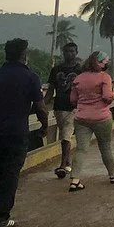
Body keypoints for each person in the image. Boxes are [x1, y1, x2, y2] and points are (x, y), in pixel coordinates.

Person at [0, 39, 49, 227]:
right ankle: (2, 217)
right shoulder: (30, 77)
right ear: (23, 55)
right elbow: (41, 108)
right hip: (17, 132)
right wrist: (44, 127)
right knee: (11, 172)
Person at [67, 51, 114, 191]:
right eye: (105, 62)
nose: (107, 64)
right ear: (100, 63)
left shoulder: (78, 78)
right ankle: (112, 175)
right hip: (101, 118)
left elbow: (73, 100)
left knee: (81, 149)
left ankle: (75, 180)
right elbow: (107, 97)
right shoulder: (104, 77)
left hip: (81, 118)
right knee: (105, 147)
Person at [45, 42, 82, 179]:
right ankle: (68, 163)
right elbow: (50, 90)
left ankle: (62, 166)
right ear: (63, 52)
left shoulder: (80, 70)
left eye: (72, 51)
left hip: (74, 107)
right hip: (59, 107)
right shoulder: (56, 70)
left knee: (66, 134)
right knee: (64, 135)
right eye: (66, 51)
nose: (69, 54)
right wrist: (42, 105)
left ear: (76, 52)